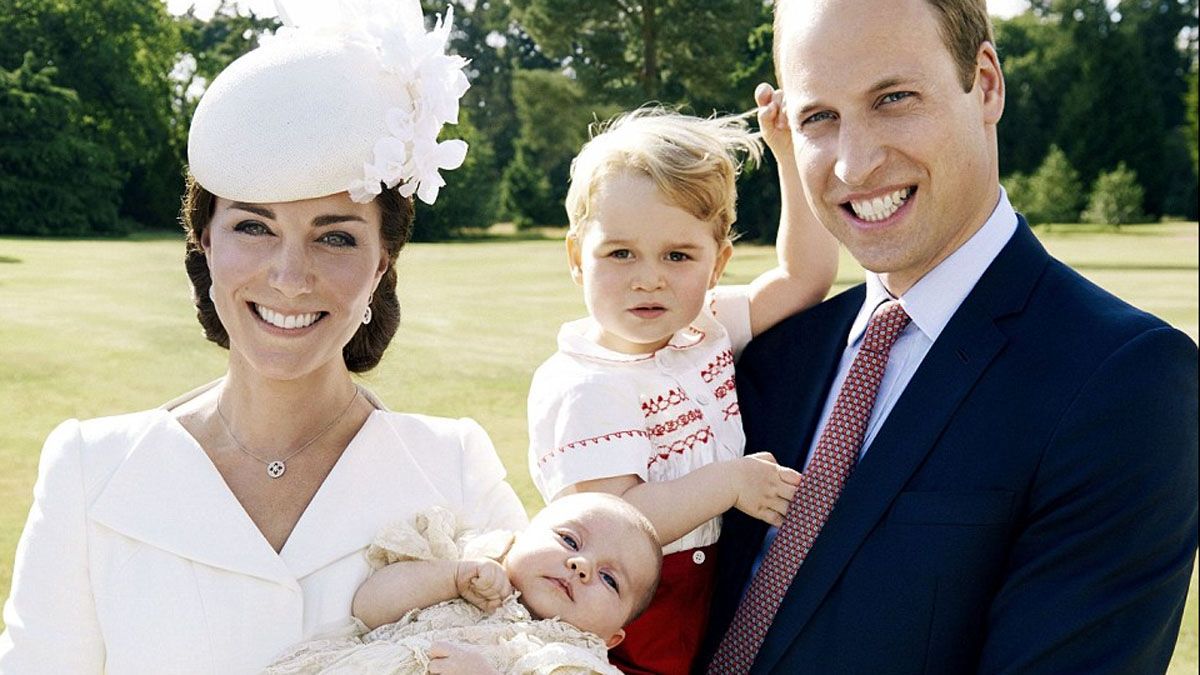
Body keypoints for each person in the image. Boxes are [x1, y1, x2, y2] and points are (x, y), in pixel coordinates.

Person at [0, 1, 527, 672]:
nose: (289, 275)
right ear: (206, 241)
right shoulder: (89, 470)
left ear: (381, 265)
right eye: (254, 227)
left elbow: (558, 648)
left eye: (334, 236)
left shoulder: (453, 465)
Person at [700, 0, 1200, 673]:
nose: (854, 165)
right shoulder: (777, 354)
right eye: (820, 117)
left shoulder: (1125, 382)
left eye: (894, 98)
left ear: (987, 83)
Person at [526, 107, 839, 673]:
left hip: (710, 585)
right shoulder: (584, 384)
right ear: (578, 258)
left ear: (716, 265)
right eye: (620, 253)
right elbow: (614, 523)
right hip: (630, 612)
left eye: (678, 255)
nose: (650, 277)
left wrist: (790, 160)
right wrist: (730, 482)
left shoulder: (706, 326)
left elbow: (805, 278)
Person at [265, 492, 663, 674]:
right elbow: (369, 607)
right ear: (522, 534)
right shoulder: (469, 556)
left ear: (611, 639)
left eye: (610, 579)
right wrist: (452, 578)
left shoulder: (575, 662)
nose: (581, 566)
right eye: (569, 540)